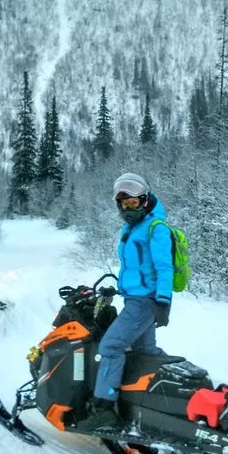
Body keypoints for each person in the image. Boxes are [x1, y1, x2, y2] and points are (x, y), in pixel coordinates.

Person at [77, 172, 174, 432]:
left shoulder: (156, 229)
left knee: (110, 347)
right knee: (145, 352)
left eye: (133, 202)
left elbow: (165, 268)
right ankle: (160, 400)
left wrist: (164, 301)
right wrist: (119, 288)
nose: (127, 207)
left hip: (145, 303)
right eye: (123, 203)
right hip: (135, 299)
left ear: (145, 199)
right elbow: (136, 268)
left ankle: (105, 409)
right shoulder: (131, 228)